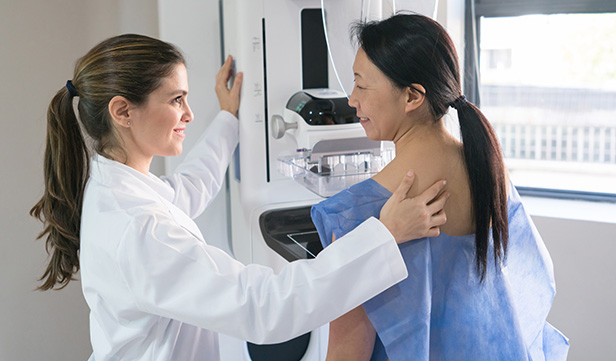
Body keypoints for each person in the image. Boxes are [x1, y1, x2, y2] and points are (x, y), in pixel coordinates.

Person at [29, 34, 450, 361]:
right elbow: (263, 306)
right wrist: (385, 235)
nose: (189, 114)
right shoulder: (139, 227)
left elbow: (186, 190)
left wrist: (228, 119)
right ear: (123, 112)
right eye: (177, 100)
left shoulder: (116, 189)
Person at [311, 13, 570, 361]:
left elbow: (346, 353)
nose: (352, 99)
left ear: (412, 96)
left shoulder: (354, 214)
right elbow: (530, 291)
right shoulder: (489, 173)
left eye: (361, 84)